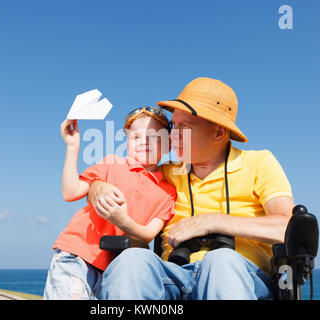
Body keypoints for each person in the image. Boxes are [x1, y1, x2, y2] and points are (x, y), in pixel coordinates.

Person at [90, 77, 296, 300]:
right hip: (174, 276)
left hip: (237, 277)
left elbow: (288, 228)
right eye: (173, 125)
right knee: (131, 261)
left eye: (184, 127)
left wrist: (212, 221)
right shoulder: (165, 172)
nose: (171, 134)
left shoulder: (259, 163)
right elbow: (114, 178)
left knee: (221, 260)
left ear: (219, 133)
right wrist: (97, 187)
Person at [43, 107, 176, 300]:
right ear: (127, 142)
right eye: (136, 137)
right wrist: (72, 147)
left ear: (168, 144)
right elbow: (70, 192)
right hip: (77, 254)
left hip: (113, 271)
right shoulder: (112, 163)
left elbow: (148, 234)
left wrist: (121, 220)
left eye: (154, 136)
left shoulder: (168, 191)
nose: (144, 142)